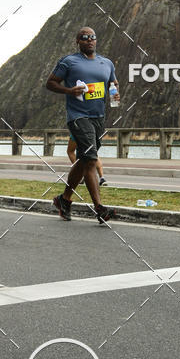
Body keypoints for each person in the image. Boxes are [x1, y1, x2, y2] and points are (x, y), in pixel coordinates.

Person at [46, 26, 119, 225]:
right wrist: (69, 91)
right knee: (91, 159)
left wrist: (115, 93)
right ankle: (99, 208)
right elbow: (50, 83)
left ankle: (64, 200)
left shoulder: (107, 63)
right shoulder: (69, 61)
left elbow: (113, 83)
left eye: (92, 37)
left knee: (84, 159)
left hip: (98, 117)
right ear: (78, 41)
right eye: (84, 37)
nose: (89, 40)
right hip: (78, 116)